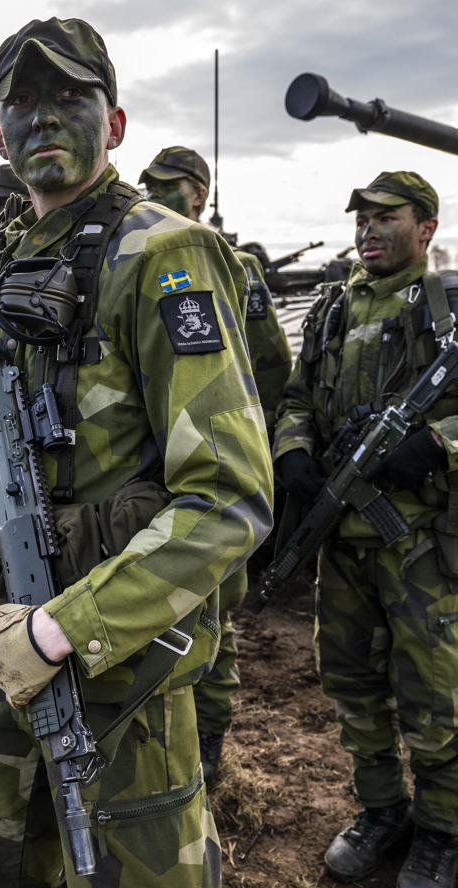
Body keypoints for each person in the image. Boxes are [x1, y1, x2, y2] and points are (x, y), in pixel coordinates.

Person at [0, 18, 272, 888]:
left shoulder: (163, 251)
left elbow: (230, 499)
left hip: (117, 664)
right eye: (21, 103)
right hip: (0, 647)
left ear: (113, 124)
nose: (43, 119)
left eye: (71, 96)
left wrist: (64, 629)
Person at [273, 171, 458, 888]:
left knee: (436, 700)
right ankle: (381, 810)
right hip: (344, 541)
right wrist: (295, 449)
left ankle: (440, 830)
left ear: (426, 227)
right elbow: (299, 396)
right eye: (361, 218)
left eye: (385, 217)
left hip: (427, 542)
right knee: (351, 685)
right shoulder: (333, 308)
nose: (367, 229)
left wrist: (442, 442)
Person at [138, 144, 296, 782]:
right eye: (151, 183)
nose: (158, 192)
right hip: (149, 462)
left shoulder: (234, 266)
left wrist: (236, 429)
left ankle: (206, 747)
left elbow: (270, 366)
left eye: (171, 185)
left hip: (207, 457)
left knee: (212, 613)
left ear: (199, 193)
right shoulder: (133, 254)